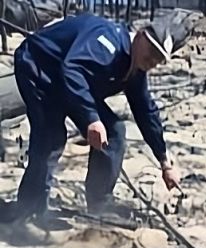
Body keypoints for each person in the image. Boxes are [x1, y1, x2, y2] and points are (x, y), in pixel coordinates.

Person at [8, 11, 186, 222]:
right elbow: (73, 69)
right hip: (39, 68)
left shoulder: (135, 67)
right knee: (51, 137)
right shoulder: (107, 42)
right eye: (152, 51)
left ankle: (99, 205)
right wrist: (91, 118)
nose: (152, 61)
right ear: (139, 36)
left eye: (159, 59)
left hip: (69, 82)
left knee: (114, 132)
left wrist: (165, 162)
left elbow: (145, 111)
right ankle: (28, 213)